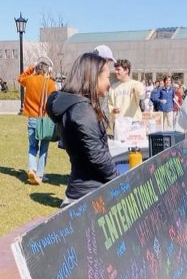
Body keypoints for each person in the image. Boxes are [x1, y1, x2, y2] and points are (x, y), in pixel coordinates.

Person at [46, 53, 117, 206]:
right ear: (94, 76)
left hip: (87, 191)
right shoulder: (82, 111)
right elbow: (97, 155)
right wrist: (119, 180)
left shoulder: (80, 107)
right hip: (88, 196)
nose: (109, 83)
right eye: (107, 77)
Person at [17, 59, 57, 185]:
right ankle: (40, 174)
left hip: (32, 119)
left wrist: (31, 69)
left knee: (32, 147)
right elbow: (54, 101)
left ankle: (31, 170)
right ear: (46, 71)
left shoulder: (29, 80)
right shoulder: (50, 83)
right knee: (44, 148)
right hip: (45, 119)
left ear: (37, 70)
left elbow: (20, 78)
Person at [108, 59, 144, 126]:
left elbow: (141, 93)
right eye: (115, 69)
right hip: (119, 123)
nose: (116, 72)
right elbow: (109, 104)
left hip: (133, 122)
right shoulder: (113, 87)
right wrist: (112, 109)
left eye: (118, 69)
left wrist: (136, 89)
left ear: (126, 70)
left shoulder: (136, 84)